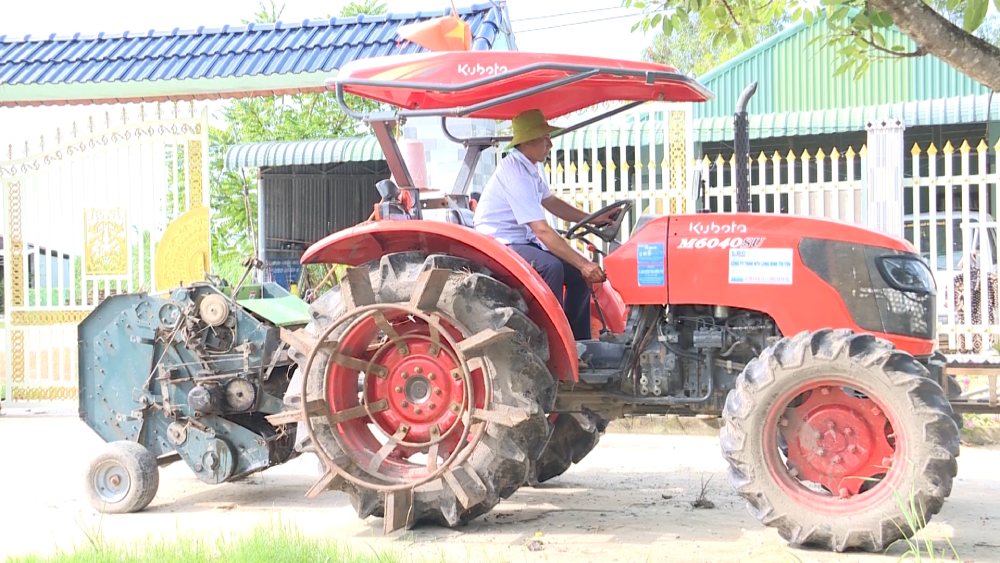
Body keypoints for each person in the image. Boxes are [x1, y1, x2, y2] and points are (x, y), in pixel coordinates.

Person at [474, 109, 615, 341]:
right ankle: (553, 341)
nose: (549, 144)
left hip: (522, 239)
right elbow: (541, 229)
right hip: (501, 241)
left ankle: (579, 342)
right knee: (552, 267)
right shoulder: (515, 172)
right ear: (528, 142)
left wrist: (593, 218)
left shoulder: (532, 167)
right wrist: (583, 263)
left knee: (578, 275)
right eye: (544, 138)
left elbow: (551, 202)